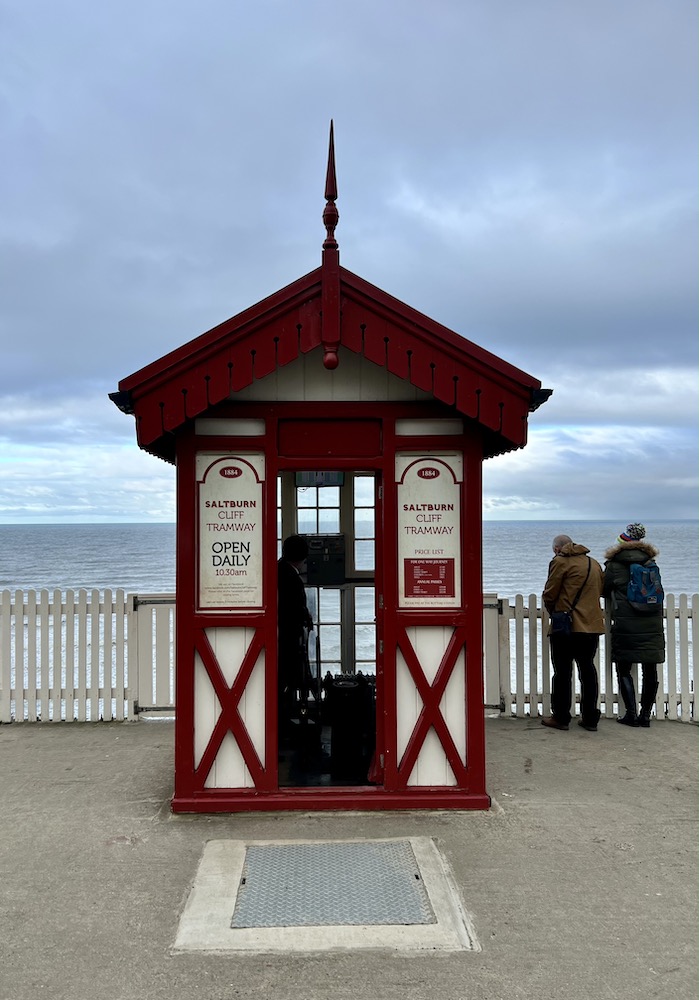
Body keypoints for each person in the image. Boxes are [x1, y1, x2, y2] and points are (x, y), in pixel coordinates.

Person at [542, 534, 605, 732]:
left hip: (567, 626)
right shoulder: (593, 563)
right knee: (587, 671)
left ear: (556, 549)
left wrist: (556, 612)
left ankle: (561, 717)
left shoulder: (560, 562)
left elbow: (550, 593)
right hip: (591, 626)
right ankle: (590, 718)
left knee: (562, 672)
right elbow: (600, 590)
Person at [603, 523, 664, 727]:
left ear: (622, 543)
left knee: (624, 668)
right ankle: (645, 715)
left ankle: (631, 713)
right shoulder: (651, 563)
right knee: (650, 669)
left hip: (626, 623)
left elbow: (604, 589)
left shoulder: (614, 565)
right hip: (652, 622)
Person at [277, 535, 314, 730]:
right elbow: (291, 611)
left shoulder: (278, 570)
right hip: (287, 640)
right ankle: (283, 729)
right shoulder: (292, 578)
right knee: (285, 685)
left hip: (278, 638)